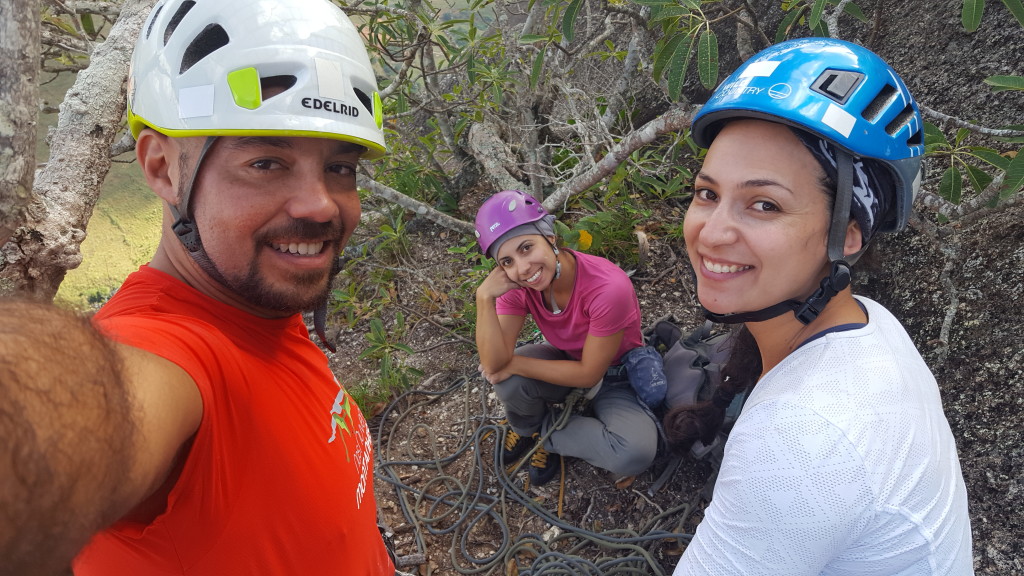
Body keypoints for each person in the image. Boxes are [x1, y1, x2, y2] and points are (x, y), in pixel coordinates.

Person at [0, 0, 395, 573]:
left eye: (341, 167)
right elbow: (65, 415)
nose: (320, 204)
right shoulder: (168, 354)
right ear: (162, 167)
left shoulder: (260, 307)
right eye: (266, 162)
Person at [663, 38, 974, 574]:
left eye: (764, 204)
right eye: (707, 193)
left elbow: (801, 455)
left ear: (848, 233)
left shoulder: (800, 440)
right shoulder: (870, 323)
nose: (711, 233)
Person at [474, 190, 658, 487]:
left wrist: (514, 364)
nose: (522, 269)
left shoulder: (607, 288)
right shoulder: (518, 286)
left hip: (616, 375)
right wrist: (484, 297)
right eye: (506, 261)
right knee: (506, 380)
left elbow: (589, 374)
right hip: (565, 361)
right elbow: (494, 363)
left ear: (549, 236)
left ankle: (546, 435)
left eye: (526, 248)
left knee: (634, 453)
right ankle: (526, 429)